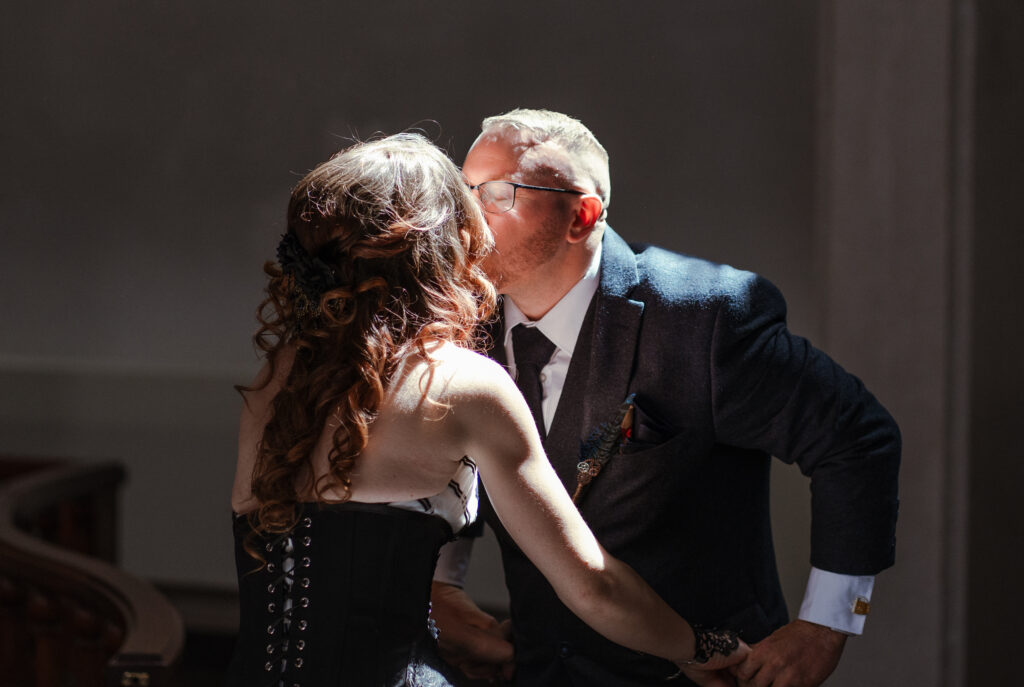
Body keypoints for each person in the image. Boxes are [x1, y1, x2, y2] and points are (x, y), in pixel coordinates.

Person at [224, 133, 751, 687]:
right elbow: (594, 586)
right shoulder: (464, 384)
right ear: (446, 243)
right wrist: (702, 648)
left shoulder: (278, 376)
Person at [430, 110, 901, 687]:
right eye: (464, 190)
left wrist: (827, 625)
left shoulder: (702, 318)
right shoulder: (459, 323)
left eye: (500, 193)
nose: (468, 217)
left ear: (582, 215)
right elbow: (462, 453)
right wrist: (444, 583)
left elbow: (857, 436)